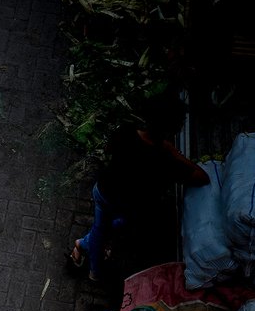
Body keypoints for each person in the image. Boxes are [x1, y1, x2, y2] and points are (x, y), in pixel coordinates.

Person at [68, 91, 210, 282]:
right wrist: (173, 153)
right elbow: (202, 177)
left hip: (105, 190)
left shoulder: (125, 132)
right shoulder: (164, 160)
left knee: (102, 227)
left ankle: (89, 258)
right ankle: (92, 263)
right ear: (172, 128)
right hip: (130, 205)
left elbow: (109, 150)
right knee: (111, 226)